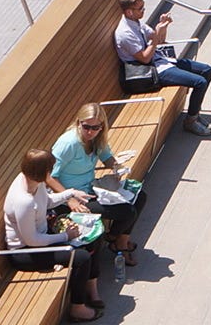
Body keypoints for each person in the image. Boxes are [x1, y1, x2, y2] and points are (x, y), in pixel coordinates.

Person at [4, 147, 103, 322]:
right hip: (25, 251)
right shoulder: (23, 201)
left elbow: (47, 202)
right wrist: (65, 237)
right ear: (43, 172)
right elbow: (32, 240)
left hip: (42, 237)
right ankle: (77, 308)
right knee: (81, 258)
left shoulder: (32, 181)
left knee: (92, 238)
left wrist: (70, 193)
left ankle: (90, 288)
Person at [48, 104, 147, 271]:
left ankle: (120, 241)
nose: (90, 132)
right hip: (71, 197)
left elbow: (106, 156)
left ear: (102, 127)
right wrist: (70, 199)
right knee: (126, 211)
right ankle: (114, 239)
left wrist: (115, 168)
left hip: (91, 189)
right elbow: (49, 176)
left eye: (95, 127)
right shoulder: (68, 143)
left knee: (140, 196)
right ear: (78, 123)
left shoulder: (97, 139)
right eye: (86, 127)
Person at [113, 0, 211, 136]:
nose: (143, 11)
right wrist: (154, 40)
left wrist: (163, 26)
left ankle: (195, 114)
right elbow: (145, 58)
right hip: (150, 71)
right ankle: (191, 121)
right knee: (200, 82)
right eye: (140, 8)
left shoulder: (136, 22)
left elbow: (159, 40)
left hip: (160, 60)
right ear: (129, 12)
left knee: (207, 70)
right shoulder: (124, 33)